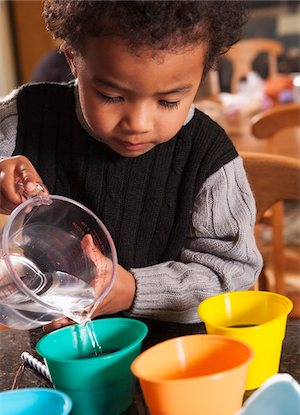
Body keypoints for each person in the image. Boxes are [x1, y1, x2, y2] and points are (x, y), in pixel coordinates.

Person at [0, 1, 262, 331]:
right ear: (73, 59)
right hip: (57, 352)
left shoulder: (209, 157)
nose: (138, 124)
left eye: (168, 101)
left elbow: (232, 275)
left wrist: (134, 289)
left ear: (202, 74)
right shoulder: (24, 118)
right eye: (111, 96)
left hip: (176, 358)